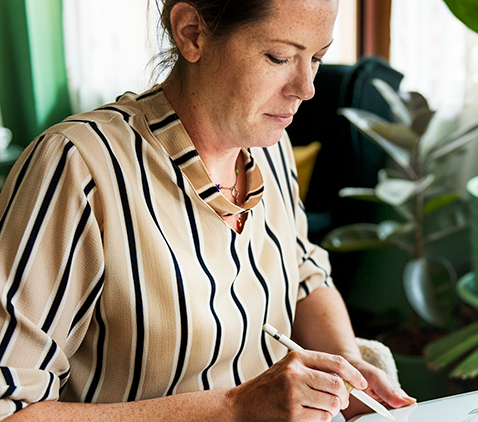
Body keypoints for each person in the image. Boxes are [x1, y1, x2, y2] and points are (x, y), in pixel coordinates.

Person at [0, 0, 415, 420]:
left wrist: (345, 368)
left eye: (317, 59)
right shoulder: (78, 166)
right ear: (192, 32)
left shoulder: (270, 146)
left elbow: (302, 267)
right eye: (280, 56)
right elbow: (9, 411)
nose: (306, 88)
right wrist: (235, 408)